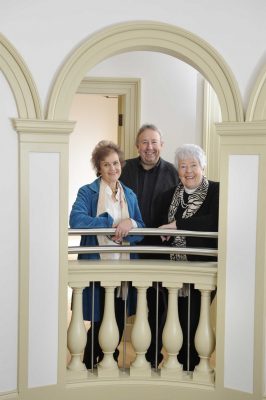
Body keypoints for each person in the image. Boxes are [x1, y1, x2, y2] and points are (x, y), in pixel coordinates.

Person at [69, 140, 145, 369]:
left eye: (115, 163)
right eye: (106, 165)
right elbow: (76, 220)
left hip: (123, 267)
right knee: (99, 318)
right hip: (97, 265)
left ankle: (106, 363)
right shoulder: (88, 191)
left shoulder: (129, 194)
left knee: (119, 319)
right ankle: (89, 363)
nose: (113, 169)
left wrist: (130, 224)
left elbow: (141, 228)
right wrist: (110, 223)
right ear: (98, 168)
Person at [155, 143, 219, 371]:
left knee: (193, 319)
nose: (188, 171)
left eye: (193, 165)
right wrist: (164, 233)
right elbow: (158, 225)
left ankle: (192, 368)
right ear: (178, 170)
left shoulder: (217, 191)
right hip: (172, 270)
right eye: (183, 166)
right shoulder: (168, 195)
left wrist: (177, 225)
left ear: (203, 166)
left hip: (202, 269)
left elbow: (214, 221)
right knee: (178, 320)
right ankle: (179, 368)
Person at [120, 123, 179, 368]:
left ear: (161, 145)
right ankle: (104, 354)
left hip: (159, 250)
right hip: (127, 248)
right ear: (137, 145)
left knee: (156, 305)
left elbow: (182, 201)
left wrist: (176, 223)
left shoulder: (174, 172)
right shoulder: (123, 169)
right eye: (144, 142)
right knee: (118, 301)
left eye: (154, 142)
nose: (149, 147)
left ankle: (152, 357)